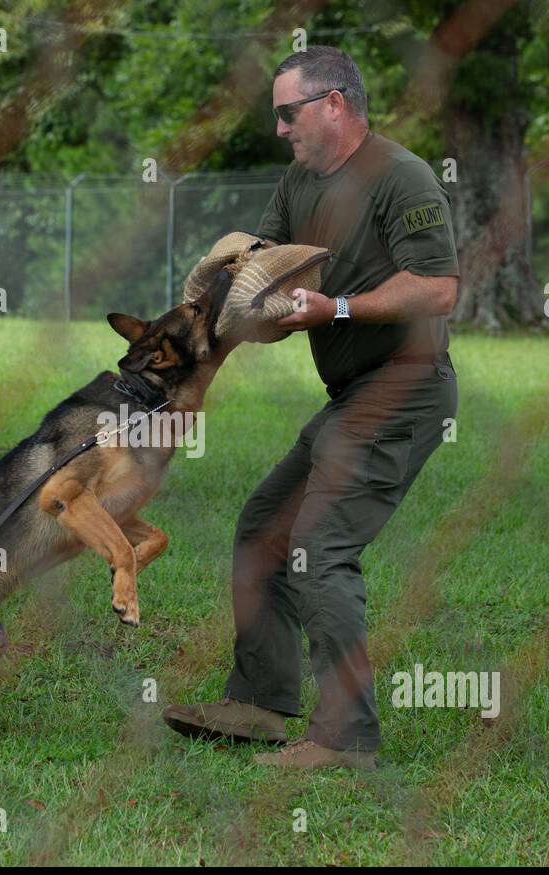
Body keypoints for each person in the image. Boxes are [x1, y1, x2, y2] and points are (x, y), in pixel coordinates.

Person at [162, 45, 460, 770]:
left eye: (287, 114)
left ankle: (345, 741)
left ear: (334, 104)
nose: (279, 130)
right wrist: (191, 354)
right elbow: (259, 278)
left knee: (319, 546)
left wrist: (340, 307)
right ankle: (261, 704)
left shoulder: (402, 177)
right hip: (352, 394)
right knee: (266, 525)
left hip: (407, 385)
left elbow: (440, 288)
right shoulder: (300, 183)